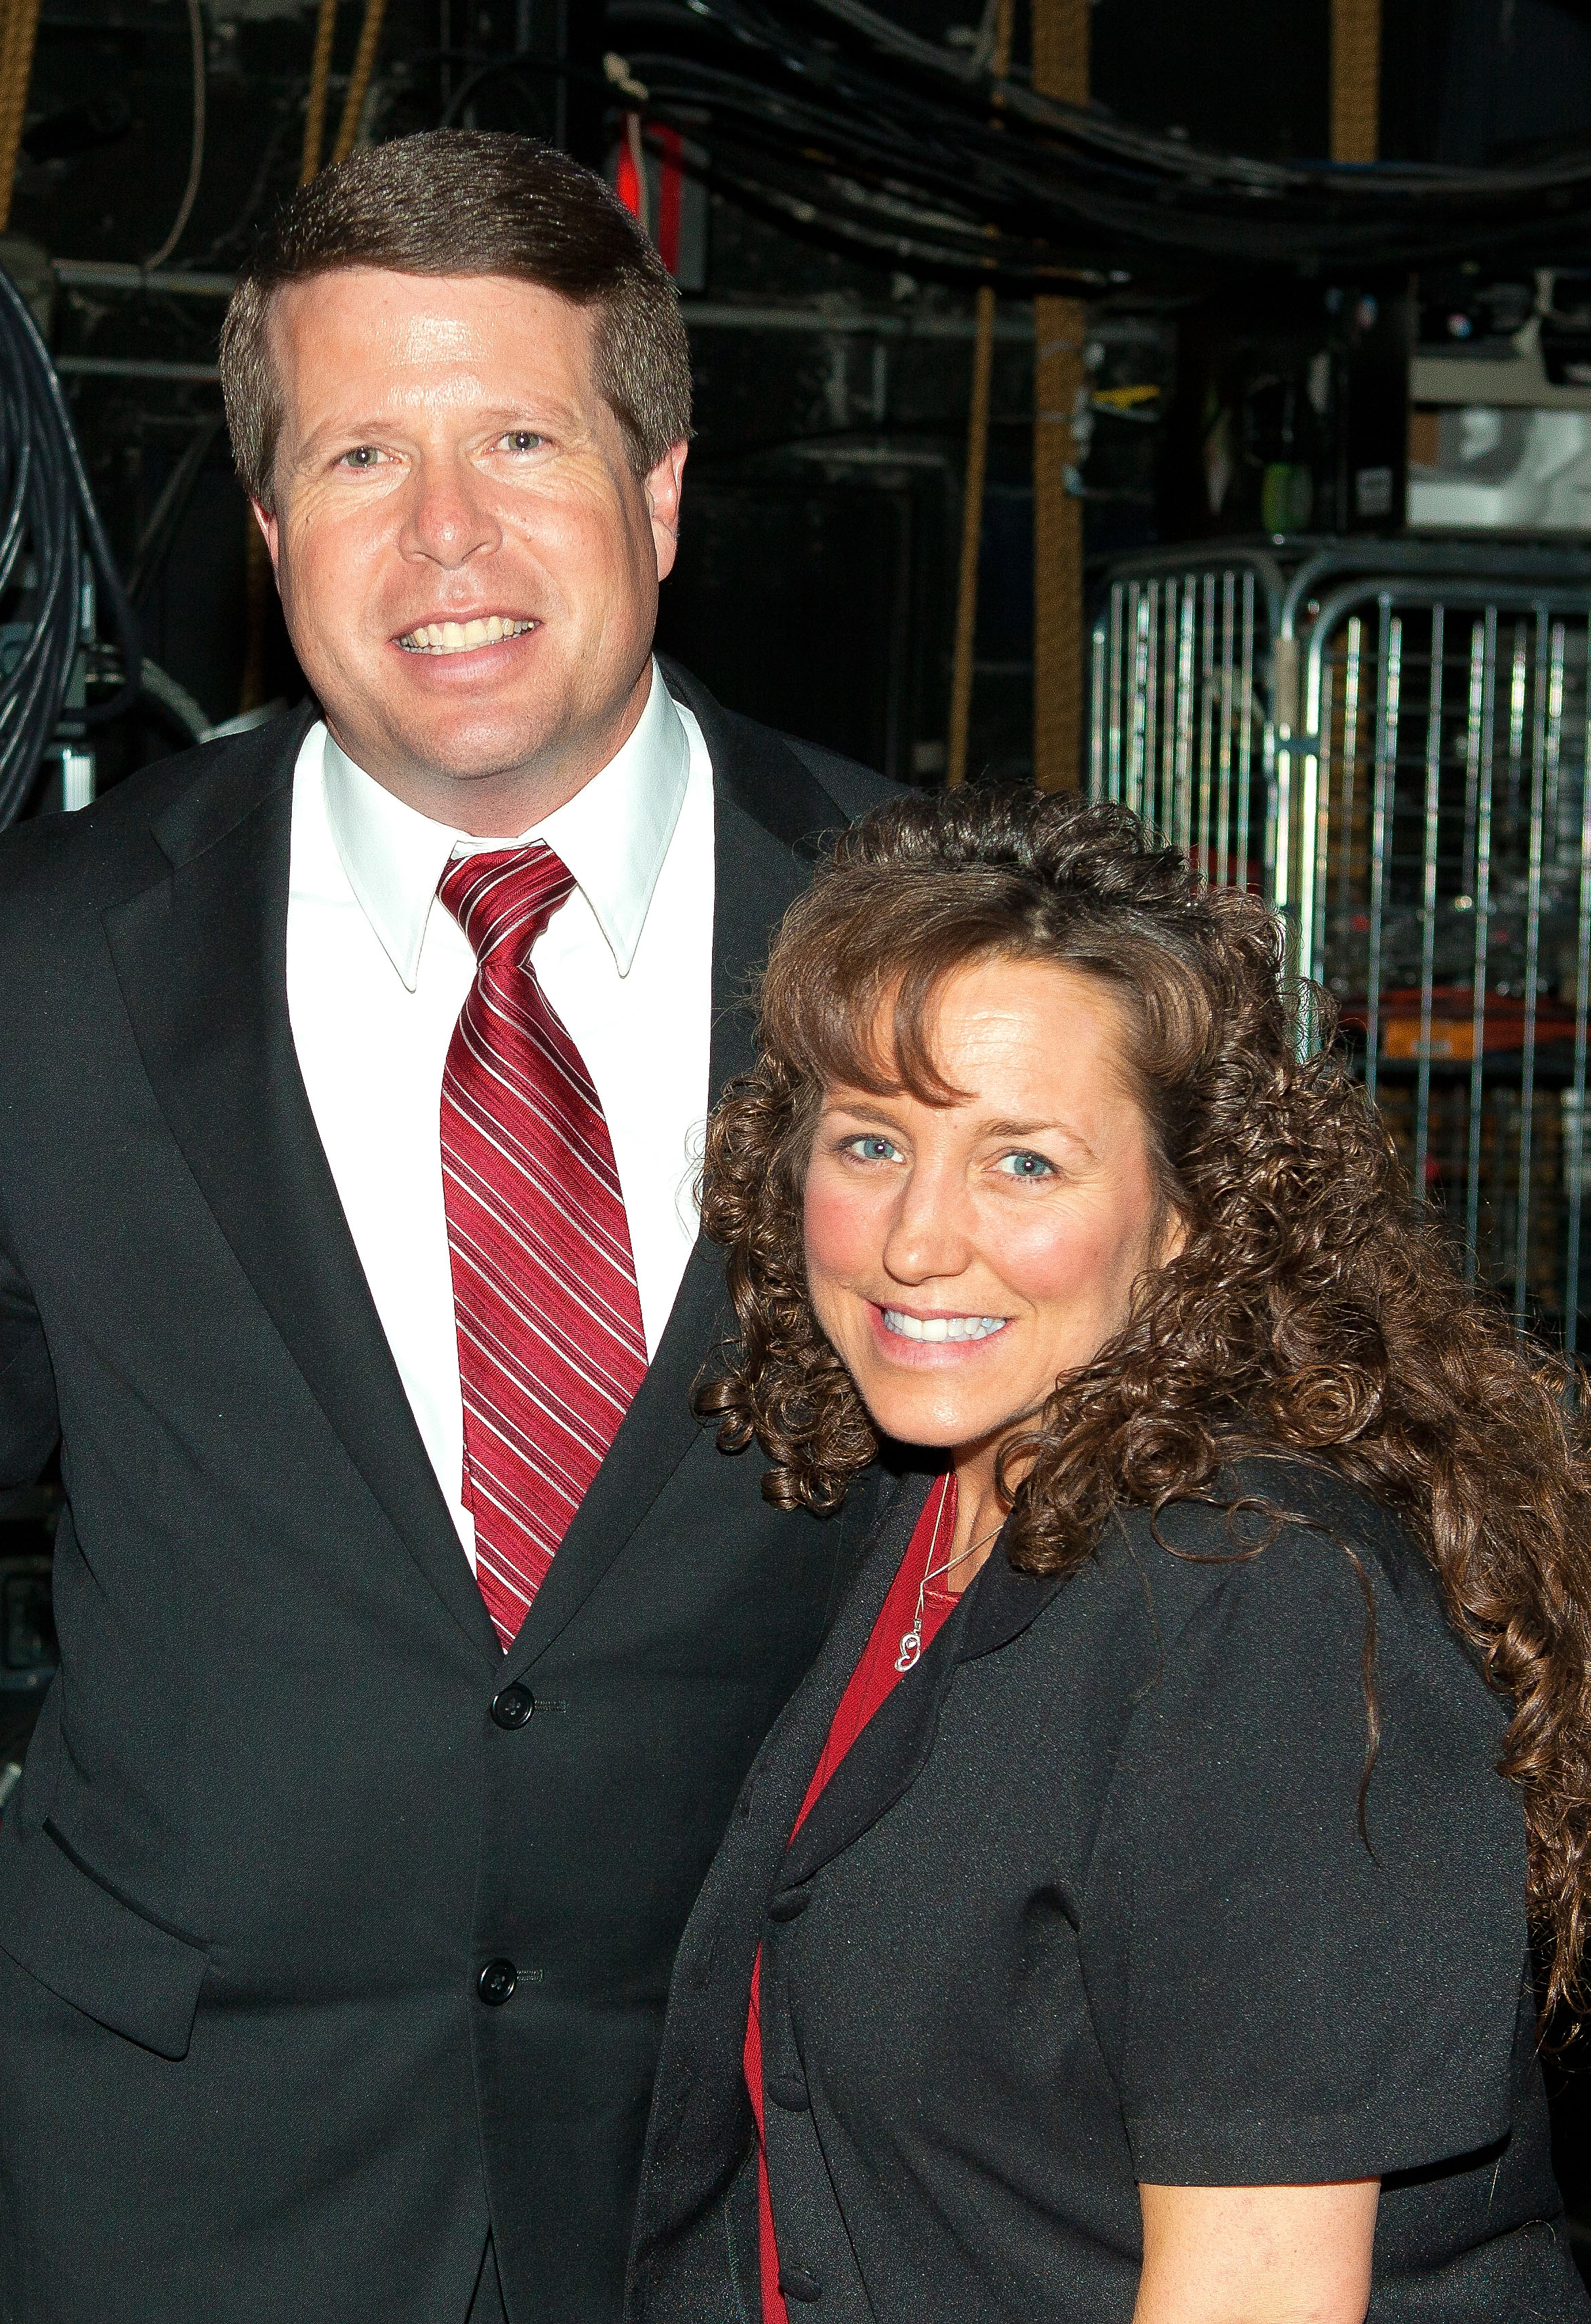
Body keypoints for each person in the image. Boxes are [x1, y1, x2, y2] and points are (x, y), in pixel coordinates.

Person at [0, 131, 899, 2324]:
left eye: (516, 436)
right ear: (275, 525)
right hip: (174, 2192)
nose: (447, 535)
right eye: (360, 454)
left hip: (780, 2170)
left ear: (660, 491)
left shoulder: (936, 938)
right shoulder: (44, 964)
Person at [626, 787, 1591, 2324]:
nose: (915, 1239)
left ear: (1188, 1216)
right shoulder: (934, 1500)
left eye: (1023, 1164)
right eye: (871, 1140)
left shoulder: (1260, 1607)